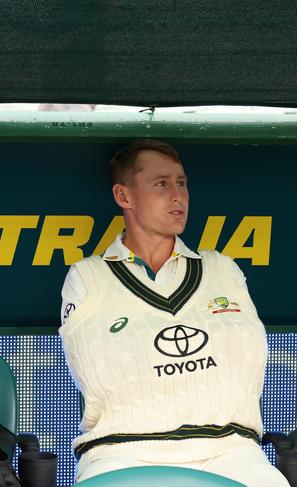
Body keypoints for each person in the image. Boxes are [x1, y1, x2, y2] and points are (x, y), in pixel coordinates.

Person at [59, 139, 288, 486]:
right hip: (121, 453)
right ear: (124, 197)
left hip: (229, 451)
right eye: (161, 184)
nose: (177, 196)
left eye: (181, 183)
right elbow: (99, 370)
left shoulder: (222, 268)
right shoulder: (87, 275)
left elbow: (249, 359)